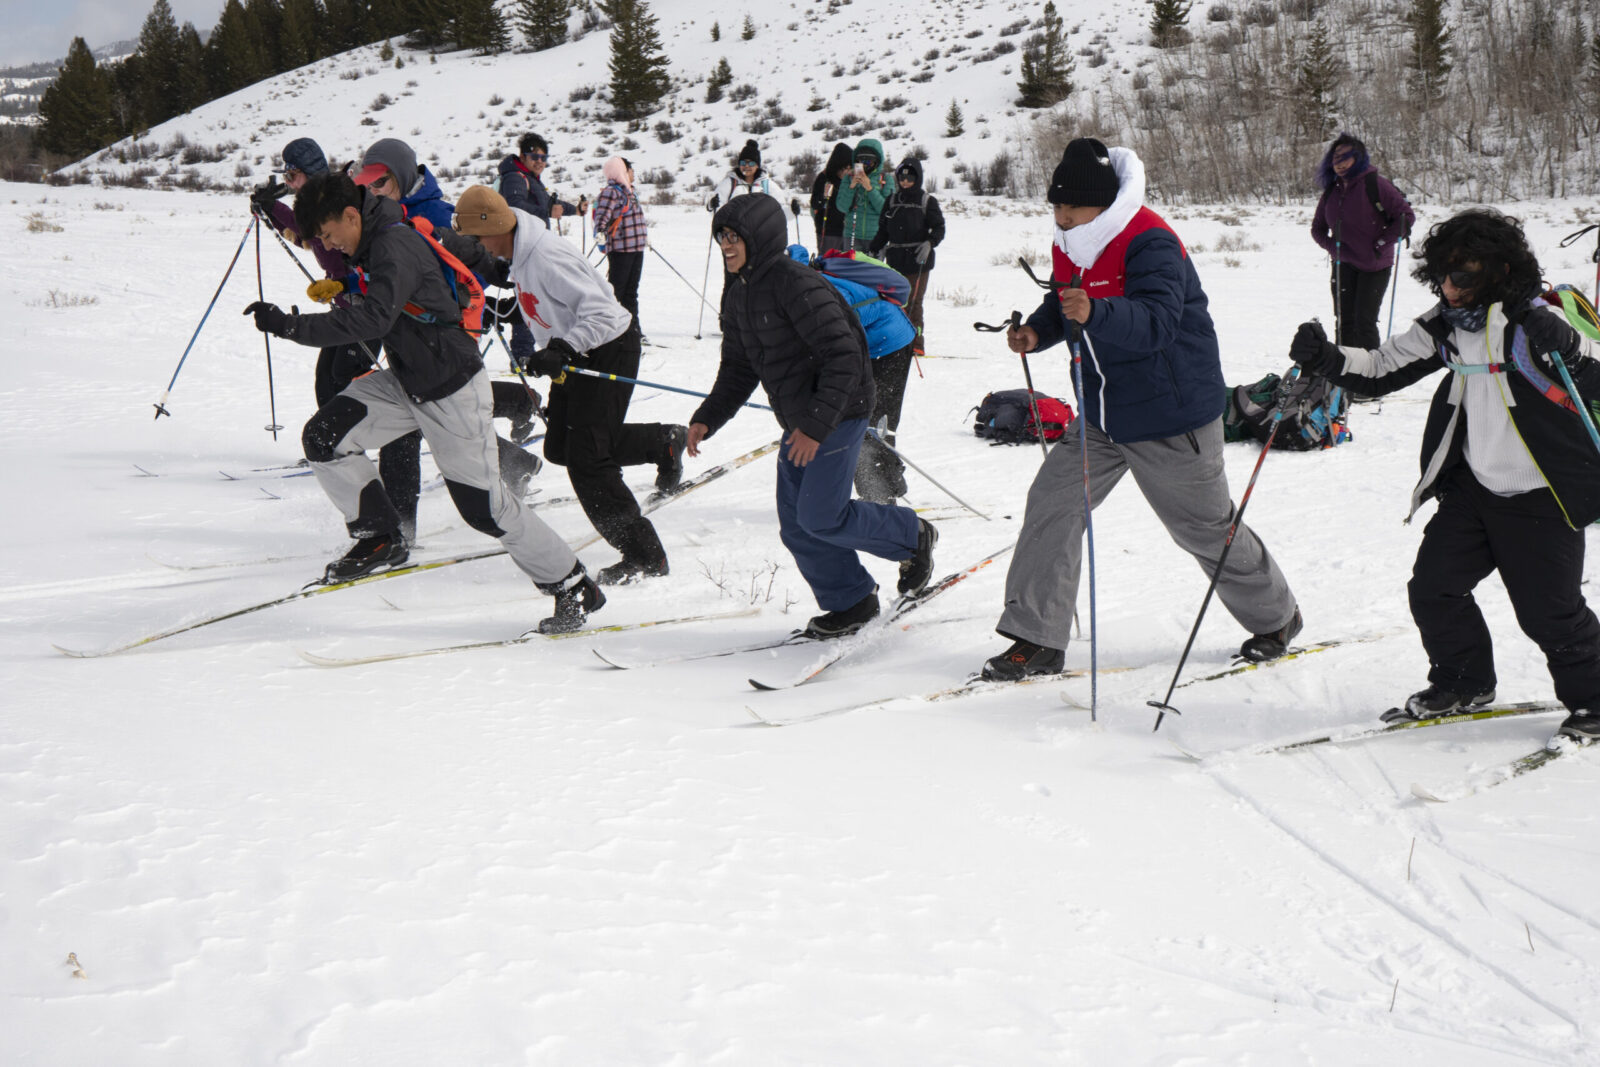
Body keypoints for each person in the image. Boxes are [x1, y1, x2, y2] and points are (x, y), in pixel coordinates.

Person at [981, 137, 1302, 682]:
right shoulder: (1072, 242)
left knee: (1203, 528)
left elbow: (1157, 323)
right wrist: (1039, 330)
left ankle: (1276, 618)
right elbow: (1066, 302)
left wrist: (1096, 312)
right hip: (1103, 414)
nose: (1060, 218)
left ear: (1103, 204)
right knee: (1052, 504)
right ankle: (1035, 638)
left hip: (1170, 416)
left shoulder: (1148, 240)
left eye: (1071, 207)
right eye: (1055, 207)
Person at [241, 173, 605, 634]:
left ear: (352, 216)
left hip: (450, 388)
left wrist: (291, 327)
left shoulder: (392, 244)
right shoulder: (375, 240)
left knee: (485, 509)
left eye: (331, 236)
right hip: (410, 381)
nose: (331, 246)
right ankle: (380, 536)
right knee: (325, 436)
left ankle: (572, 584)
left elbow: (374, 319)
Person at [1288, 208, 1600, 743]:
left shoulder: (1540, 321)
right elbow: (1382, 368)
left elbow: (1594, 370)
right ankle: (1463, 682)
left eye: (1463, 274)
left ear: (1502, 268)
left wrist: (1570, 348)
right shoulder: (1447, 325)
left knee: (1550, 614)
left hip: (1542, 497)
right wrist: (1326, 357)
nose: (1449, 288)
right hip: (1473, 490)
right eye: (1442, 275)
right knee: (1434, 589)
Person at [686, 194, 937, 638]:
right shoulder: (739, 291)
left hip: (840, 410)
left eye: (734, 237)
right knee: (798, 526)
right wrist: (708, 417)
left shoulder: (795, 284)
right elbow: (739, 366)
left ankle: (912, 535)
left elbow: (844, 357)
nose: (726, 245)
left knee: (823, 515)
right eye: (721, 237)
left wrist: (815, 428)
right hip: (802, 419)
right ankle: (852, 601)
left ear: (759, 237)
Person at [452, 185, 688, 586]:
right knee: (562, 445)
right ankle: (662, 442)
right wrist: (499, 310)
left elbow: (602, 311)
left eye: (477, 239)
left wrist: (564, 347)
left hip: (606, 348)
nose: (478, 247)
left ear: (494, 228)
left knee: (588, 461)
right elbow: (540, 302)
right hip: (579, 353)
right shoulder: (520, 252)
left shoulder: (544, 256)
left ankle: (645, 556)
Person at [353, 138, 543, 499]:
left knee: (429, 423)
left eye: (381, 182)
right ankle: (516, 456)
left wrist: (450, 299)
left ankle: (398, 531)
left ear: (403, 177)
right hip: (408, 333)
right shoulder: (378, 217)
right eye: (368, 184)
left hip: (446, 332)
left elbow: (478, 264)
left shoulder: (437, 214)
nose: (373, 191)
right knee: (448, 420)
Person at [787, 245, 917, 504]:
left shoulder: (823, 296)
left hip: (891, 344)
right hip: (866, 343)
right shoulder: (804, 290)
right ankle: (858, 486)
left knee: (872, 420)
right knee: (852, 417)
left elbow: (836, 346)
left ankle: (881, 493)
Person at [1310, 133, 1415, 349]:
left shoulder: (1375, 184)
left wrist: (1381, 244)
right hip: (1343, 265)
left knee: (1364, 323)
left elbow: (1405, 218)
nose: (1339, 163)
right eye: (1335, 158)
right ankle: (1344, 371)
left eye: (1345, 157)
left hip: (1375, 266)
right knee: (1344, 321)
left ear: (1358, 158)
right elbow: (1317, 229)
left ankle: (1370, 373)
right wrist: (1334, 248)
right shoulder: (1332, 190)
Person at [869, 156, 945, 357]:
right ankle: (897, 344)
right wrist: (875, 249)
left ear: (917, 179)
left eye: (909, 179)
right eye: (902, 179)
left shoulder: (927, 201)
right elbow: (883, 231)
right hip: (895, 261)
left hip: (919, 261)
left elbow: (939, 227)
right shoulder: (892, 201)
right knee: (894, 303)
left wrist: (930, 243)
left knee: (913, 304)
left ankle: (916, 344)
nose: (905, 183)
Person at [591, 156, 648, 338]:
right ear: (622, 170)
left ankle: (633, 332)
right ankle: (615, 333)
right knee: (618, 293)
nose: (633, 174)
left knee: (631, 293)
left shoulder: (630, 192)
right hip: (621, 251)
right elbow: (602, 217)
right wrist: (600, 233)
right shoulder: (611, 192)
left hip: (636, 249)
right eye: (630, 169)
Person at [704, 139, 788, 213]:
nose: (746, 166)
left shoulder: (767, 185)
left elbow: (781, 211)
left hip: (761, 230)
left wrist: (792, 210)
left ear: (757, 165)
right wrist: (712, 205)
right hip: (734, 229)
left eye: (751, 163)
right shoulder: (730, 183)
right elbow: (718, 210)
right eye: (743, 163)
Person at [836, 137, 889, 252]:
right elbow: (842, 207)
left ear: (876, 161)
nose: (864, 165)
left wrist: (870, 189)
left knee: (873, 269)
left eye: (868, 161)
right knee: (851, 269)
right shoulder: (848, 178)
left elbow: (886, 210)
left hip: (876, 236)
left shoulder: (885, 179)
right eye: (860, 161)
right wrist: (852, 187)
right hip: (852, 235)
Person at [809, 142, 853, 252]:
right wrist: (824, 195)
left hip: (846, 232)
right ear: (838, 165)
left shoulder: (849, 180)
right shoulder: (824, 178)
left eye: (850, 168)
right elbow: (815, 204)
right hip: (828, 232)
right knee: (828, 263)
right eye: (845, 168)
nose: (847, 172)